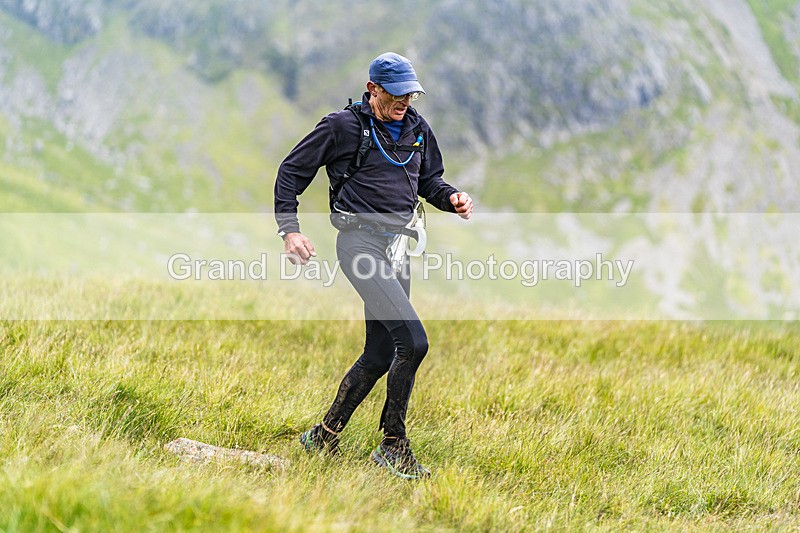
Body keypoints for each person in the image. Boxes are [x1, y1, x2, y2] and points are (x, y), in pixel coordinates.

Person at [274, 52, 473, 480]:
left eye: (411, 93)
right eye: (397, 94)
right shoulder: (341, 126)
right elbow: (291, 172)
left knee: (381, 352)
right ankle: (392, 446)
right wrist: (290, 229)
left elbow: (429, 182)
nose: (405, 101)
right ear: (373, 89)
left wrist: (451, 197)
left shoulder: (417, 128)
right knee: (414, 343)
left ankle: (323, 436)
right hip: (359, 244)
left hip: (399, 247)